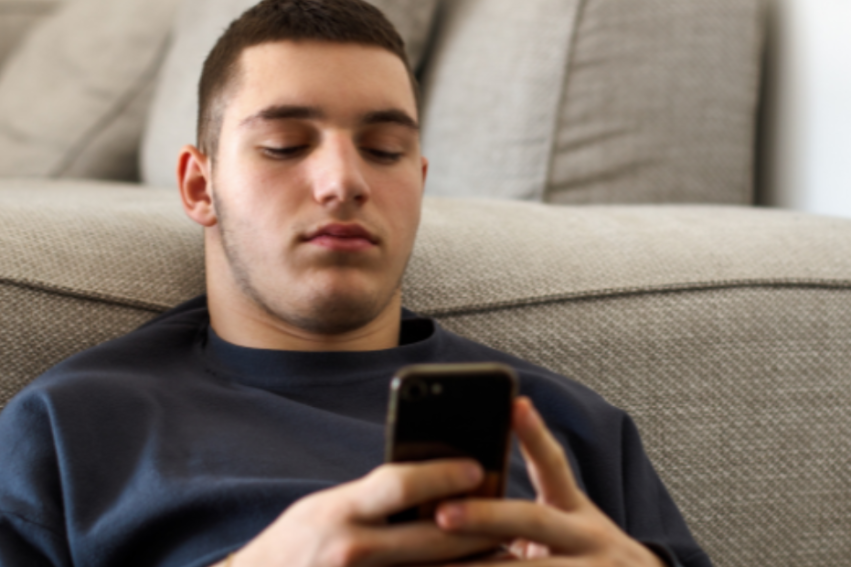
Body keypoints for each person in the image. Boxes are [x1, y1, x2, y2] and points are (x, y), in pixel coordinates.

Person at [0, 1, 712, 566]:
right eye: (285, 145)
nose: (344, 181)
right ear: (199, 184)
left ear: (419, 183)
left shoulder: (568, 426)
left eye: (384, 150)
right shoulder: (67, 427)